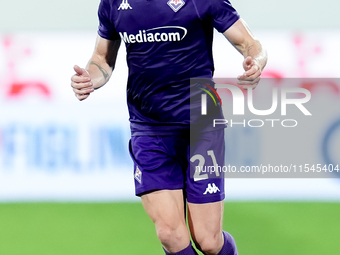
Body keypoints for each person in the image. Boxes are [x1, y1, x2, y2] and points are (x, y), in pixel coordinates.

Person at [71, 0, 267, 254]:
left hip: (201, 125)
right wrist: (90, 78)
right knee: (169, 235)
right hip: (149, 127)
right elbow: (102, 59)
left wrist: (256, 61)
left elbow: (249, 43)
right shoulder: (113, 3)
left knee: (208, 242)